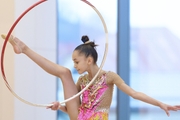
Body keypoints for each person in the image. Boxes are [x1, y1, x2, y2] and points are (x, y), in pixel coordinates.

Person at [2, 34, 180, 120]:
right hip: (80, 117)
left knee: (64, 73)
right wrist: (60, 107)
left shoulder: (109, 77)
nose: (75, 65)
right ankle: (23, 49)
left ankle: (23, 49)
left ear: (89, 60)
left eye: (77, 61)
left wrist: (160, 103)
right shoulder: (82, 81)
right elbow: (75, 107)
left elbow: (134, 94)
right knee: (64, 73)